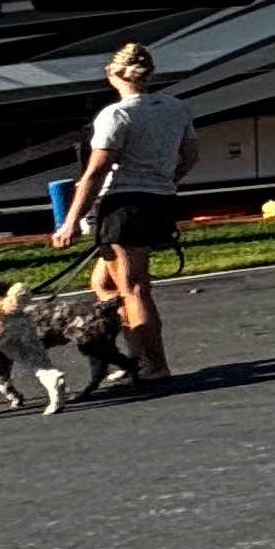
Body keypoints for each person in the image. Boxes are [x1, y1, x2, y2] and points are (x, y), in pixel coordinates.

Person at [53, 41, 197, 386]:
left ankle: (155, 363)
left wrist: (70, 221)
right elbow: (190, 155)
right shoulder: (176, 108)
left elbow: (95, 172)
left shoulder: (116, 114)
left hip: (124, 205)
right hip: (159, 199)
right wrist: (165, 180)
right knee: (103, 284)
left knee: (133, 289)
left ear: (113, 74)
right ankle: (136, 356)